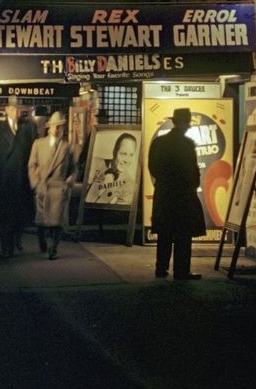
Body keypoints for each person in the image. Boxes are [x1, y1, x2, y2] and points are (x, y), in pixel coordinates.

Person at [148, 107, 206, 280]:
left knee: (165, 233)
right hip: (183, 195)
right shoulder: (187, 144)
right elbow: (193, 170)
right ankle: (181, 270)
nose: (188, 126)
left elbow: (152, 166)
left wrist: (163, 181)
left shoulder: (159, 142)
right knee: (183, 235)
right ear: (183, 123)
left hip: (164, 193)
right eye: (188, 122)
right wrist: (192, 185)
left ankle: (161, 268)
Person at [0, 97, 38, 258]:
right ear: (6, 109)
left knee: (20, 213)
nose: (16, 112)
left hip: (22, 178)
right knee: (5, 214)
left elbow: (34, 151)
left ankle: (16, 237)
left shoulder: (28, 127)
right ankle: (6, 247)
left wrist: (36, 170)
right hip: (4, 177)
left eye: (18, 109)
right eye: (13, 109)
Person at [28, 111, 76, 260]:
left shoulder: (66, 147)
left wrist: (69, 182)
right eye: (54, 126)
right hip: (43, 187)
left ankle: (53, 248)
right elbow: (31, 165)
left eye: (60, 126)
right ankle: (42, 240)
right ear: (48, 128)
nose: (57, 129)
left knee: (56, 222)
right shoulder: (38, 144)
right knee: (42, 221)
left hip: (58, 188)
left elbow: (73, 169)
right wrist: (35, 184)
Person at [85, 132, 137, 205]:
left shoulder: (129, 187)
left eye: (131, 155)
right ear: (114, 152)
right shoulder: (94, 163)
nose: (126, 160)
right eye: (123, 154)